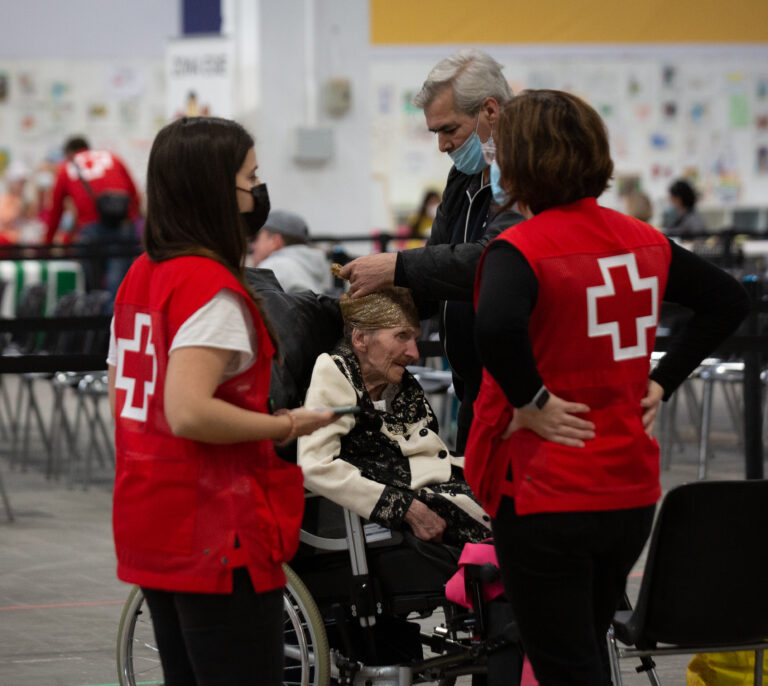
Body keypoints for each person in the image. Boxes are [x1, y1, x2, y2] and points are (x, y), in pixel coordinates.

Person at [468, 90, 749, 686]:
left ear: (520, 162)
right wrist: (662, 380)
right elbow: (728, 300)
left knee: (565, 665)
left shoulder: (520, 248)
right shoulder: (642, 239)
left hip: (548, 490)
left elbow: (493, 325)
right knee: (587, 653)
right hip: (627, 490)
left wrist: (531, 401)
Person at [107, 116, 338, 686]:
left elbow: (124, 394)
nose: (257, 191)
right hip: (215, 528)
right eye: (250, 177)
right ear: (216, 190)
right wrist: (285, 423)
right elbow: (187, 410)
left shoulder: (141, 274)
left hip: (153, 517)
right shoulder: (209, 286)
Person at [339, 49, 523, 453]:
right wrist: (355, 309)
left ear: (490, 110)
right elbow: (432, 277)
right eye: (435, 132)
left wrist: (398, 265)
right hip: (473, 389)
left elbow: (494, 260)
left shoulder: (526, 179)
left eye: (449, 129)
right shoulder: (463, 177)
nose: (442, 145)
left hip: (519, 397)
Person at [298, 280, 490, 547]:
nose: (414, 353)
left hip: (447, 486)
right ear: (360, 339)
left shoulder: (393, 381)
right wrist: (405, 508)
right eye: (402, 336)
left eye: (415, 339)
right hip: (408, 511)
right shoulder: (334, 371)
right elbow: (314, 466)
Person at [46, 136, 142, 295]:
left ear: (69, 153)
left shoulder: (67, 168)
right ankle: (114, 318)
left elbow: (55, 211)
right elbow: (134, 194)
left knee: (94, 289)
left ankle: (97, 315)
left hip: (90, 228)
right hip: (122, 224)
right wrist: (129, 220)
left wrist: (48, 243)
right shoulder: (113, 157)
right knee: (117, 286)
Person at [246, 209, 332, 293]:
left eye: (257, 239)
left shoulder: (273, 266)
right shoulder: (319, 268)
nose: (253, 246)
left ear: (275, 241)